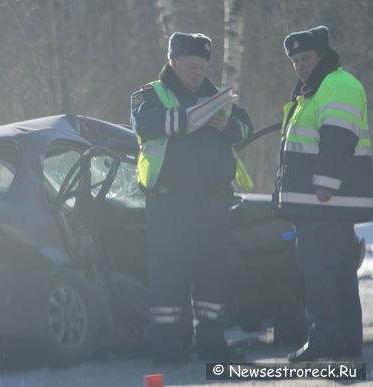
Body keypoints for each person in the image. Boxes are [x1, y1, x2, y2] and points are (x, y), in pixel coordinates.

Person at [130, 32, 253, 364]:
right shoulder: (150, 94)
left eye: (202, 66)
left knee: (212, 274)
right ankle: (167, 347)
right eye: (191, 66)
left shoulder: (218, 97)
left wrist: (225, 123)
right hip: (170, 203)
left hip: (213, 202)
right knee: (168, 276)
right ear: (173, 62)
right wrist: (188, 119)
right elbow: (144, 123)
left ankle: (212, 344)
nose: (198, 72)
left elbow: (245, 129)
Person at [273, 25, 373, 362]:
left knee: (319, 275)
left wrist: (325, 185)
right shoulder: (315, 88)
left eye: (306, 58)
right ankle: (344, 344)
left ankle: (326, 340)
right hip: (323, 205)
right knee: (338, 276)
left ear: (323, 56)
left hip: (323, 203)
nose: (300, 65)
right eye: (295, 60)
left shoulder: (336, 84)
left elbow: (337, 137)